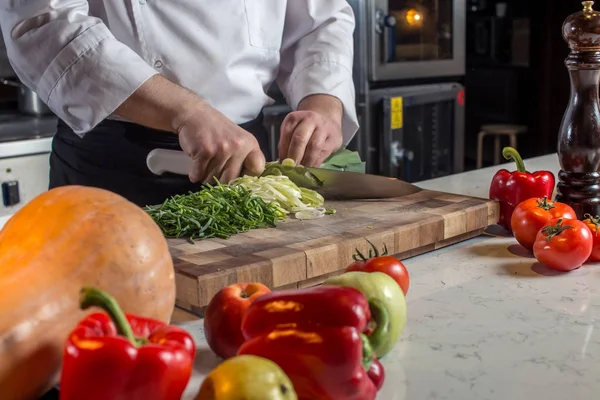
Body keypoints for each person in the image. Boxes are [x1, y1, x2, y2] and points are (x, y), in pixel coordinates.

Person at [0, 1, 358, 206]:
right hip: (113, 167)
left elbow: (321, 18)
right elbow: (44, 21)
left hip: (244, 162)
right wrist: (186, 111)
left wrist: (324, 100)